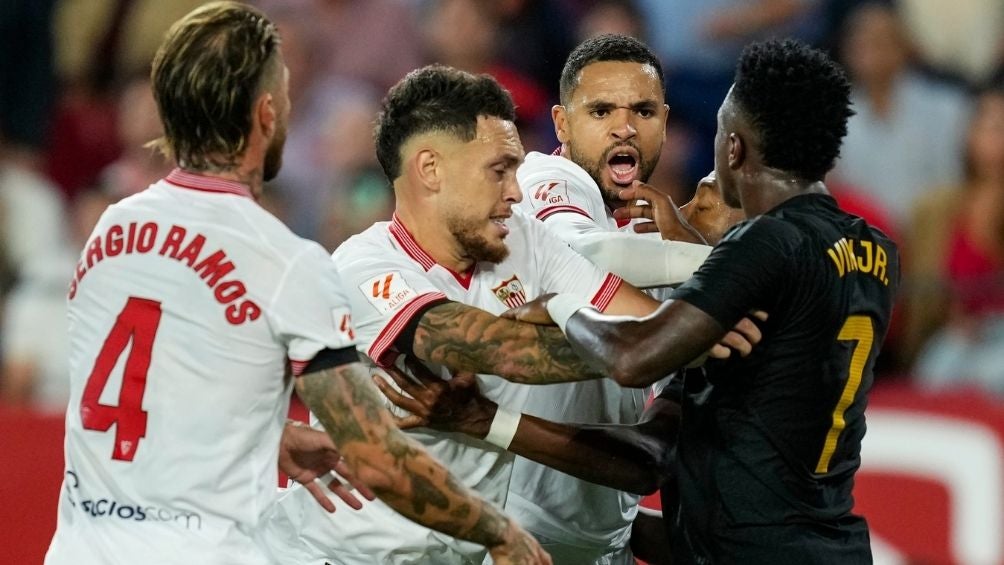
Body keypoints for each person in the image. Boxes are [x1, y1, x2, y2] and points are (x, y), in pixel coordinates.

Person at [44, 4, 548, 565]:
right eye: (284, 94)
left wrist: (268, 435)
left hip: (80, 549)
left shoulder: (111, 230)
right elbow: (378, 459)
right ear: (267, 113)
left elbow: (147, 386)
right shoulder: (284, 262)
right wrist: (498, 532)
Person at [262, 63, 760, 565]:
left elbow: (635, 314)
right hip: (330, 554)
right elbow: (505, 352)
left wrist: (686, 329)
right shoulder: (365, 269)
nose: (517, 192)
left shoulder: (521, 236)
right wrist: (676, 338)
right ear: (430, 170)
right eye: (498, 170)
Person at [507, 38, 900, 563]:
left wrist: (559, 306)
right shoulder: (874, 251)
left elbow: (632, 357)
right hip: (824, 541)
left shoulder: (764, 248)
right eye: (602, 111)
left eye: (644, 111)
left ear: (733, 148)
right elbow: (655, 454)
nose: (624, 127)